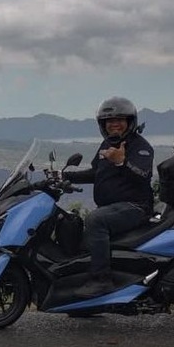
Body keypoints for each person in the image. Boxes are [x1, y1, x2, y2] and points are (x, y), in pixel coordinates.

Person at [65, 96, 154, 298]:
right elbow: (95, 173)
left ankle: (101, 281)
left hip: (136, 207)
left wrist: (122, 163)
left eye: (120, 119)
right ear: (103, 124)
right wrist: (63, 176)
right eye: (109, 121)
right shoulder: (107, 145)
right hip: (113, 207)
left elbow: (143, 176)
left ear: (130, 122)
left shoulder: (140, 146)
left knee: (95, 220)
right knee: (72, 223)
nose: (114, 124)